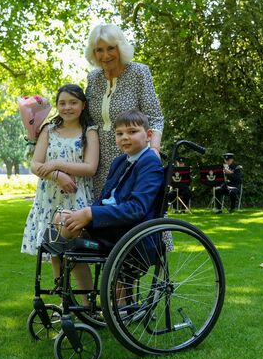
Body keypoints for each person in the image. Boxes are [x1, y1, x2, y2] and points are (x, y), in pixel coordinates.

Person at [21, 84, 99, 288]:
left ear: (83, 105)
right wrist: (57, 176)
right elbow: (35, 165)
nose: (67, 107)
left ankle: (85, 304)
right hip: (50, 197)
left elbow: (90, 167)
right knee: (55, 251)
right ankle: (62, 301)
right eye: (62, 103)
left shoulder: (89, 132)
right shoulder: (49, 130)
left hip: (76, 197)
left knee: (74, 252)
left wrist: (56, 164)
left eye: (73, 102)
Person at [56, 109, 164, 251]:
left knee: (64, 227)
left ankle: (79, 247)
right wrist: (88, 213)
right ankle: (63, 269)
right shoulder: (119, 162)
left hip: (128, 231)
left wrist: (91, 214)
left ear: (149, 135)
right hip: (109, 223)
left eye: (132, 132)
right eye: (119, 133)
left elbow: (137, 209)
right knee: (60, 221)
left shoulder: (150, 161)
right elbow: (105, 197)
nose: (125, 137)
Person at [85, 24, 164, 199]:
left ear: (120, 47)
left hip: (132, 157)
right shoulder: (93, 78)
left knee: (132, 210)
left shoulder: (139, 72)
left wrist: (155, 150)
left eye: (110, 48)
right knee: (102, 213)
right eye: (99, 50)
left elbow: (155, 117)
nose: (105, 55)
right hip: (98, 160)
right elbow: (85, 118)